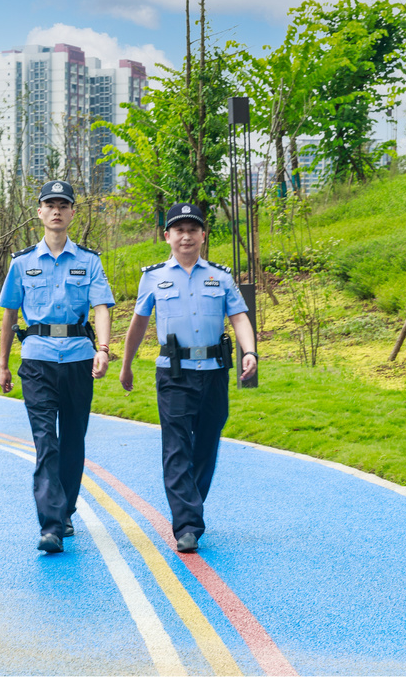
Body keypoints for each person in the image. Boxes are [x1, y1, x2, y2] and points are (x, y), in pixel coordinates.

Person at [118, 202, 257, 553]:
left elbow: (239, 316)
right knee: (177, 447)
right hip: (174, 374)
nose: (186, 236)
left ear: (203, 235)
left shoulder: (220, 276)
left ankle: (190, 507)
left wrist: (250, 351)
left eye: (193, 229)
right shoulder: (153, 277)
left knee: (206, 445)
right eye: (179, 230)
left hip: (214, 373)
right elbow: (139, 323)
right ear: (167, 236)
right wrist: (126, 363)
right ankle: (187, 525)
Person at [0, 180, 115, 554]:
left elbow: (101, 307)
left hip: (79, 359)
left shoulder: (89, 261)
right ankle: (50, 525)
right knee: (46, 441)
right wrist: (3, 364)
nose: (57, 211)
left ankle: (65, 511)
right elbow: (9, 314)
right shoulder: (22, 263)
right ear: (40, 212)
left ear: (72, 213)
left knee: (73, 441)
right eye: (50, 205)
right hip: (37, 360)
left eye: (64, 205)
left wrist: (103, 348)